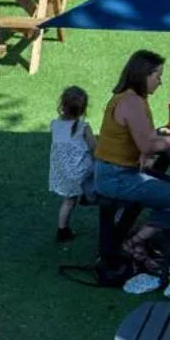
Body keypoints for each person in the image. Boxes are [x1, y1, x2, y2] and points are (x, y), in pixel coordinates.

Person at [92, 50, 170, 223]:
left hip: (120, 172)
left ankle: (138, 234)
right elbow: (147, 145)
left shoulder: (130, 98)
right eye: (158, 76)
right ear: (144, 75)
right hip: (116, 177)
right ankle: (137, 241)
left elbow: (144, 136)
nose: (160, 82)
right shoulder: (132, 102)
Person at [49, 84, 95, 243]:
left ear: (62, 105)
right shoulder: (83, 127)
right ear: (84, 109)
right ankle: (88, 195)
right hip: (80, 172)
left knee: (68, 200)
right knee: (98, 170)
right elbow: (94, 147)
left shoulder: (54, 125)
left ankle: (62, 230)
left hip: (63, 172)